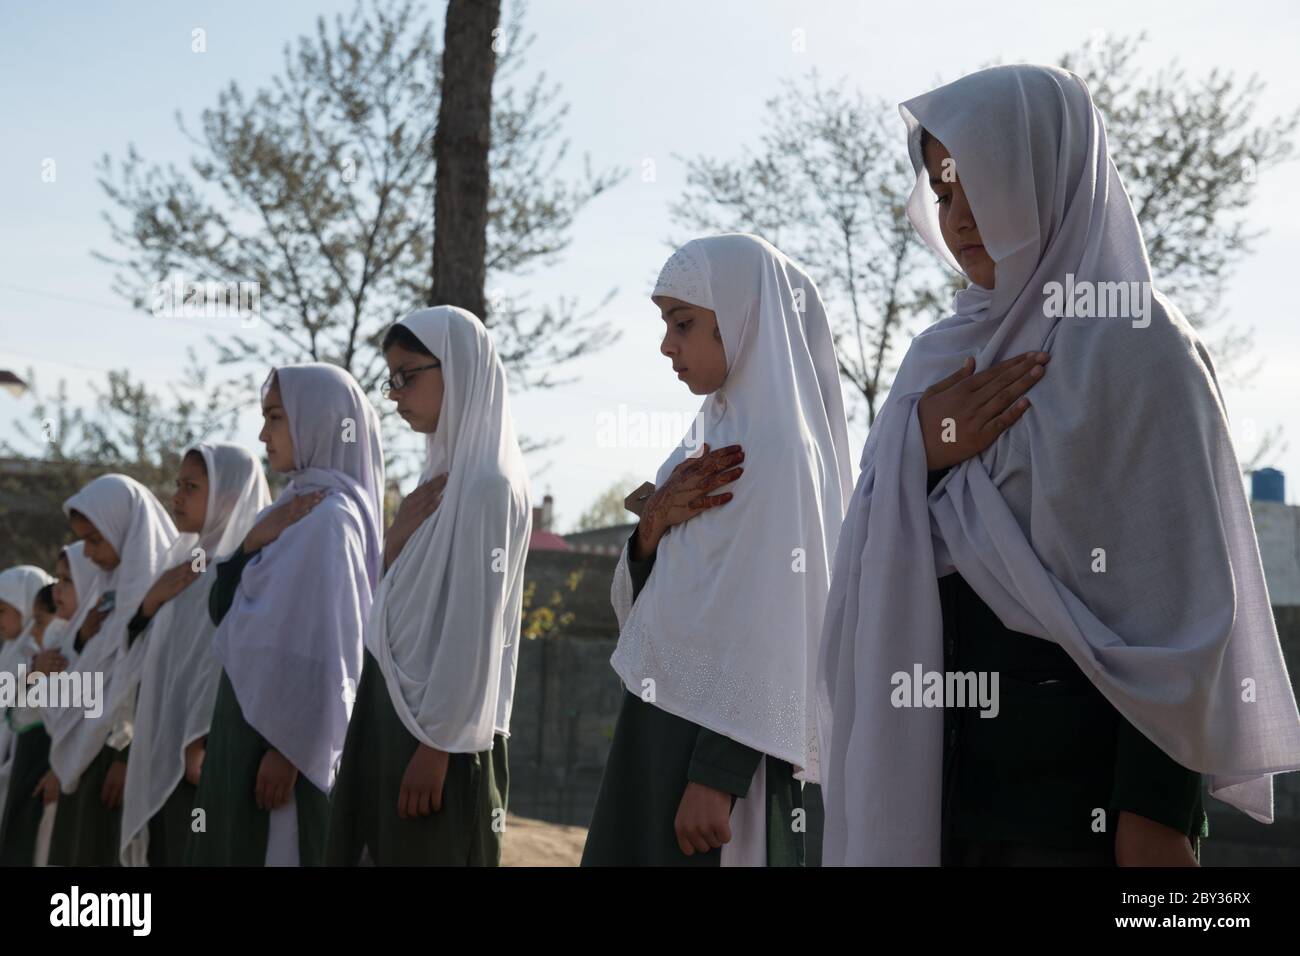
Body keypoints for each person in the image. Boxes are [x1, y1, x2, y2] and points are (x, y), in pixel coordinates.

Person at [817, 64, 1300, 866]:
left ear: (1045, 171)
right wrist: (923, 451)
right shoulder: (936, 359)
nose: (959, 216)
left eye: (980, 181)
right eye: (942, 195)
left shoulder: (1137, 344)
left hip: (1083, 808)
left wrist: (1156, 808)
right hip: (940, 792)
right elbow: (873, 556)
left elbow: (1187, 605)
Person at [582, 234, 852, 866]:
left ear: (743, 315)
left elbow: (779, 618)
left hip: (728, 754)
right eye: (665, 325)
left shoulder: (782, 450)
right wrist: (650, 529)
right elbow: (653, 601)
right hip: (659, 726)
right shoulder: (704, 440)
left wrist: (716, 776)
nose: (666, 345)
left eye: (683, 323)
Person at [327, 306, 531, 866]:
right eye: (390, 379)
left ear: (461, 368)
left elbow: (474, 628)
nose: (395, 394)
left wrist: (437, 747)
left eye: (408, 375)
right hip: (395, 713)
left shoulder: (488, 486)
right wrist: (394, 541)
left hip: (442, 737)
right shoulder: (441, 478)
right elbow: (397, 600)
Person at [187, 364, 383, 866]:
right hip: (245, 732)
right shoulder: (290, 511)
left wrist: (293, 750)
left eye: (275, 417)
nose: (262, 433)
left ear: (317, 419)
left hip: (278, 753)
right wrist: (252, 542)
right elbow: (221, 610)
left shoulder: (331, 521)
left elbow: (334, 653)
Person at [118, 443, 269, 865]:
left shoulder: (245, 569)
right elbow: (150, 657)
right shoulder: (186, 564)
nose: (176, 497)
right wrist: (149, 604)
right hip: (165, 749)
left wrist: (197, 737)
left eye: (191, 487)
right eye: (177, 485)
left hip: (204, 758)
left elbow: (216, 660)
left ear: (228, 496)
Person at [45, 475, 178, 866]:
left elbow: (153, 681)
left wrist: (126, 757)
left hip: (122, 765)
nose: (86, 554)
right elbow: (85, 676)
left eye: (94, 540)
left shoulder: (163, 592)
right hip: (87, 755)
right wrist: (82, 642)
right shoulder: (105, 596)